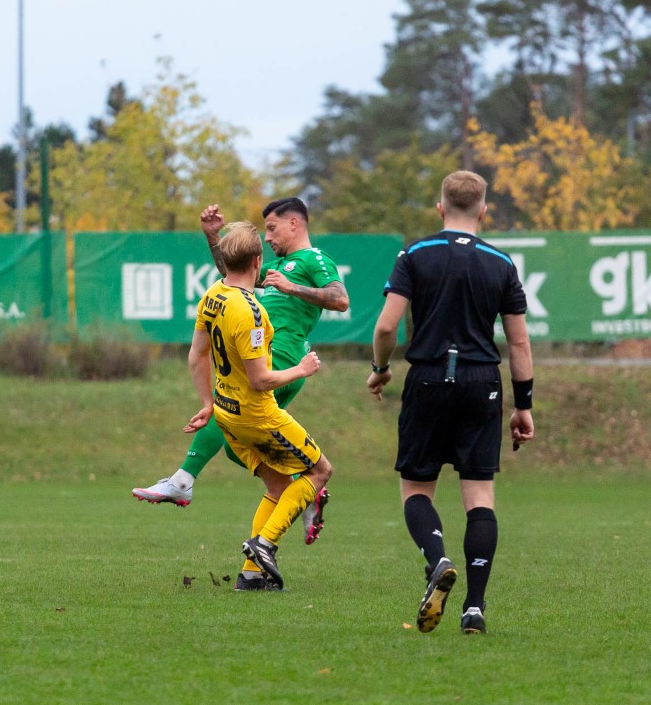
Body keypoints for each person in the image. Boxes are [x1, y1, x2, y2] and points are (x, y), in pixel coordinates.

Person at [366, 170, 534, 634]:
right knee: (479, 496)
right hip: (482, 382)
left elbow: (386, 326)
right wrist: (523, 405)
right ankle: (474, 607)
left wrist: (381, 368)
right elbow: (519, 343)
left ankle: (438, 559)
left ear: (440, 207)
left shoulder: (415, 254)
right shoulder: (501, 263)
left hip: (427, 378)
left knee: (416, 489)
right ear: (484, 211)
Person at [133, 198, 348, 544]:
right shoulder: (276, 265)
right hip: (260, 355)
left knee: (228, 404)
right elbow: (235, 271)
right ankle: (300, 494)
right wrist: (213, 238)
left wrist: (291, 287)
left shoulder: (314, 259)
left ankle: (183, 480)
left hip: (282, 357)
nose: (268, 237)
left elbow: (340, 298)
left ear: (295, 223)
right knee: (238, 448)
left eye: (272, 228)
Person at [183, 220, 334, 591]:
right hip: (257, 415)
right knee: (319, 472)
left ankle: (251, 575)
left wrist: (207, 402)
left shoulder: (213, 295)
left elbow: (196, 355)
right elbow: (260, 380)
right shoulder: (252, 312)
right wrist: (301, 369)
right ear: (257, 261)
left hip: (227, 414)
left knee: (279, 485)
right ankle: (264, 543)